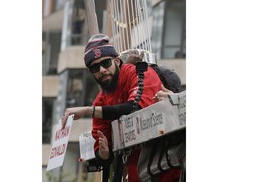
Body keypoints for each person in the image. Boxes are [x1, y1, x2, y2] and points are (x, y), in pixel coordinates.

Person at [62, 34, 179, 181]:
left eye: (106, 63)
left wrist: (88, 111)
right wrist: (104, 154)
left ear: (117, 61)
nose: (102, 70)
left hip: (172, 169)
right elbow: (101, 151)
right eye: (95, 68)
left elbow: (134, 109)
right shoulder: (101, 101)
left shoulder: (140, 73)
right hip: (139, 173)